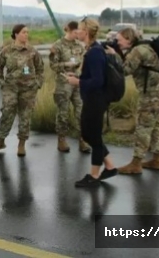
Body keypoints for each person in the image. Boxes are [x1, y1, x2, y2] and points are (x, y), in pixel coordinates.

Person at [105, 27, 159, 174]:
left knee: (143, 127)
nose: (117, 43)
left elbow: (124, 70)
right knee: (155, 126)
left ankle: (136, 163)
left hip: (150, 96)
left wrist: (114, 55)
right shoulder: (145, 47)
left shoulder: (137, 51)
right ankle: (157, 159)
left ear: (128, 39)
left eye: (119, 40)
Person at [65, 18, 118, 188]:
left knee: (93, 137)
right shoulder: (93, 49)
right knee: (88, 135)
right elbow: (92, 77)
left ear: (86, 32)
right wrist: (79, 78)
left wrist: (77, 83)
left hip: (96, 100)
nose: (77, 32)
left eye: (79, 29)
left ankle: (94, 175)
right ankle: (109, 166)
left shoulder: (95, 52)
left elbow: (97, 80)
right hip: (92, 98)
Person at [0, 24, 44, 156]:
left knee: (25, 116)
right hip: (11, 88)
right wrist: (1, 83)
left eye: (27, 32)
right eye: (24, 32)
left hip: (28, 89)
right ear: (16, 34)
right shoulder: (7, 51)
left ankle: (21, 144)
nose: (26, 34)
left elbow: (40, 69)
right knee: (7, 112)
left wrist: (38, 83)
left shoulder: (32, 51)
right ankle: (0, 140)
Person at [49, 21, 91, 154]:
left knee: (81, 112)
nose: (77, 34)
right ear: (69, 31)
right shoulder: (58, 46)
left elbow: (84, 63)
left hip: (78, 82)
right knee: (63, 113)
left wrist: (78, 74)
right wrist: (66, 65)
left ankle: (82, 139)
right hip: (64, 83)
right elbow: (53, 66)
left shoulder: (80, 46)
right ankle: (62, 139)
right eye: (75, 32)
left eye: (78, 32)